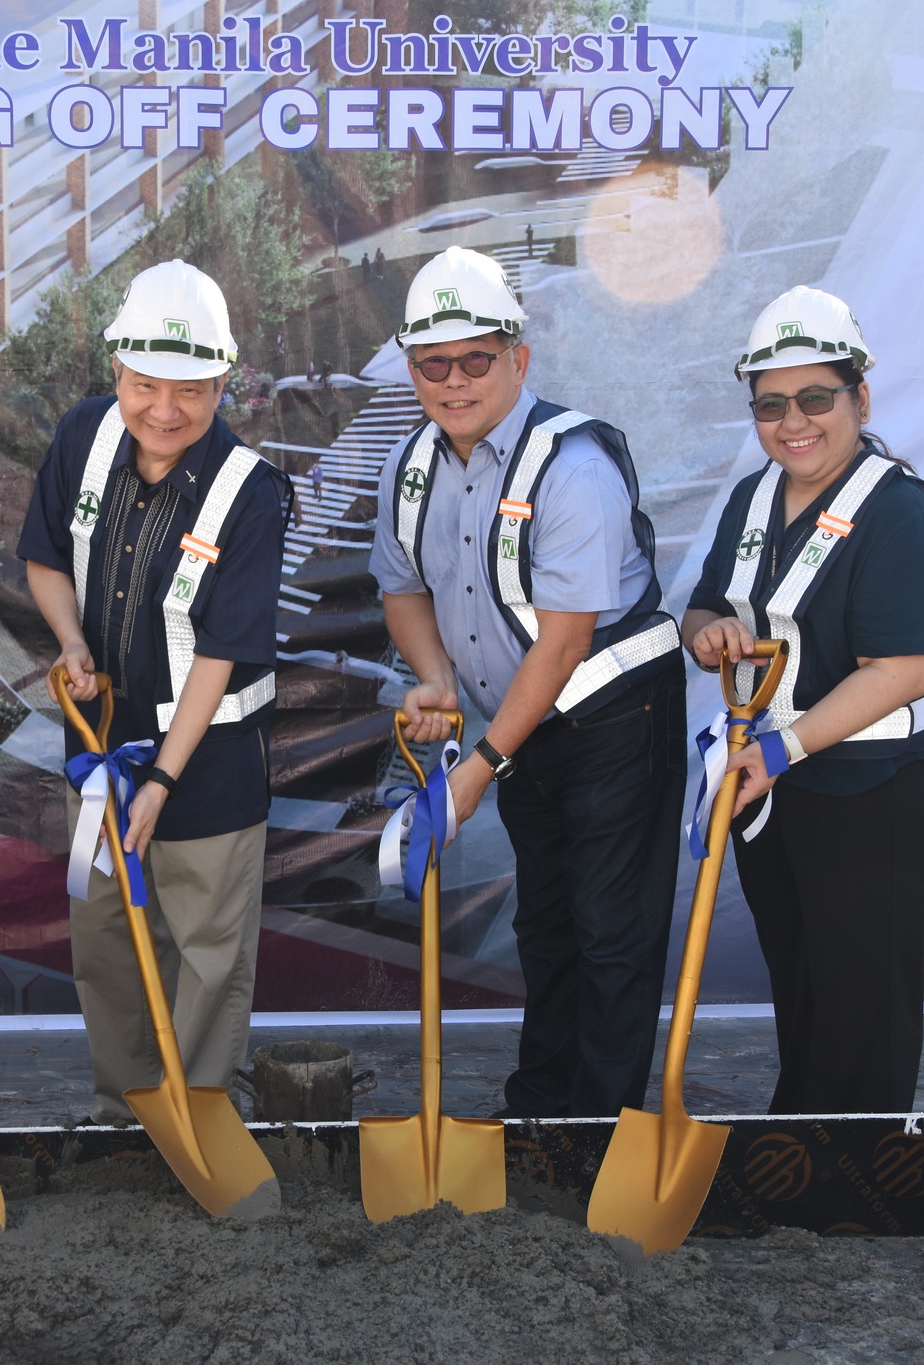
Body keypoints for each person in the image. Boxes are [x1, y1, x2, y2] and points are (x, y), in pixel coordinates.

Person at [369, 246, 685, 1119]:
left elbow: (564, 641)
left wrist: (476, 768)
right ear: (412, 369)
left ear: (519, 358)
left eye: (477, 358)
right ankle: (542, 1106)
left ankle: (599, 1126)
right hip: (527, 723)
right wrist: (434, 676)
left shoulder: (572, 467)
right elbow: (402, 590)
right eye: (435, 362)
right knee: (547, 923)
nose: (455, 380)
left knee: (608, 932)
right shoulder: (411, 468)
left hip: (615, 714)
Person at [16, 260, 290, 1124]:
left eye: (191, 390)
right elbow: (46, 557)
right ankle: (124, 1112)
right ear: (117, 372)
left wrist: (165, 777)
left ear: (223, 382)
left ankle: (196, 1114)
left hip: (206, 762)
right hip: (100, 748)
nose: (164, 410)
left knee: (206, 950)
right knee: (105, 940)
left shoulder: (251, 492)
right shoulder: (82, 436)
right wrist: (69, 639)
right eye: (144, 385)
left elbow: (221, 650)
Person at [682, 285, 924, 1114]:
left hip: (872, 780)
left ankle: (855, 1179)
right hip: (778, 778)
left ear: (859, 397)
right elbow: (706, 601)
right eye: (771, 405)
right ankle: (799, 1147)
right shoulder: (754, 498)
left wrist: (777, 750)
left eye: (815, 398)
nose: (793, 421)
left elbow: (903, 669)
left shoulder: (900, 512)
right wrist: (705, 634)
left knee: (860, 993)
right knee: (803, 979)